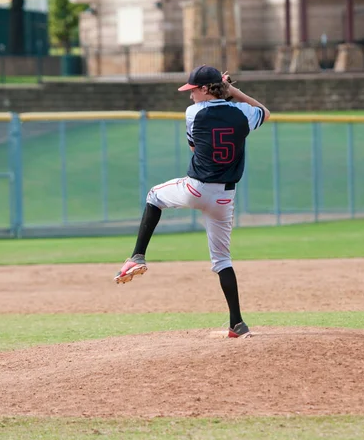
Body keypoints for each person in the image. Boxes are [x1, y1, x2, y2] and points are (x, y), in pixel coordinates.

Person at [114, 65, 270, 338]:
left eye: (193, 90)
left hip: (195, 189)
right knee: (222, 260)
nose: (190, 96)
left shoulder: (193, 113)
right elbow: (265, 113)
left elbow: (195, 148)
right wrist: (233, 91)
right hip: (224, 198)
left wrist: (224, 94)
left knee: (154, 196)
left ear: (206, 89)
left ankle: (137, 256)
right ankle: (238, 324)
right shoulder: (243, 113)